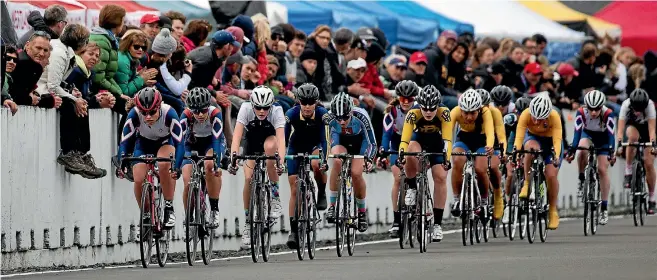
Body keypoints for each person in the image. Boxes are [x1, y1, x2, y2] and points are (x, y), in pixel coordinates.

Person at [117, 87, 184, 228]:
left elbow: (180, 144)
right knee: (138, 178)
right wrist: (121, 162)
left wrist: (177, 167)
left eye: (152, 112)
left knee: (163, 164)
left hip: (165, 142)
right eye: (144, 113)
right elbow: (124, 142)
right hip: (143, 143)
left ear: (159, 106)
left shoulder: (169, 113)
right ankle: (146, 213)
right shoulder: (134, 114)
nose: (148, 117)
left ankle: (169, 207)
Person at [228, 86, 286, 247]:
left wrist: (280, 161)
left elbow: (281, 139)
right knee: (248, 178)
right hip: (251, 141)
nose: (261, 111)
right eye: (258, 107)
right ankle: (248, 223)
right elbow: (237, 137)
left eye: (265, 107)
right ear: (252, 104)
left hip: (270, 138)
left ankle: (275, 197)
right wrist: (233, 159)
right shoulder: (246, 108)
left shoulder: (277, 111)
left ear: (271, 106)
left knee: (270, 153)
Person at [396, 84, 452, 241]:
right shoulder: (413, 114)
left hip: (437, 145)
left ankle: (437, 225)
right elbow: (404, 140)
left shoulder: (444, 113)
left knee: (440, 177)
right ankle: (412, 188)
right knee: (409, 150)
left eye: (431, 109)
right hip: (418, 142)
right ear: (419, 105)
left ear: (437, 106)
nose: (428, 112)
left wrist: (447, 158)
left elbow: (447, 140)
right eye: (424, 109)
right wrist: (401, 154)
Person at [283, 83, 329, 249]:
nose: (308, 106)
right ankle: (294, 230)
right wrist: (281, 157)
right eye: (304, 103)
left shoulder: (323, 114)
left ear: (316, 102)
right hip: (296, 146)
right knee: (295, 188)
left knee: (316, 163)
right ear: (299, 102)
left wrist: (325, 159)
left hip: (316, 145)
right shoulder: (291, 114)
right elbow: (284, 138)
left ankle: (322, 191)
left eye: (311, 103)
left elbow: (326, 139)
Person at [325, 92, 377, 233]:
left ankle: (361, 212)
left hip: (359, 143)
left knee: (356, 173)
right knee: (336, 161)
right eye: (338, 118)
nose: (341, 121)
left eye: (345, 117)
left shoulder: (361, 115)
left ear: (351, 112)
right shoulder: (329, 117)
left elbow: (371, 142)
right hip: (340, 140)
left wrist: (369, 158)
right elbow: (324, 140)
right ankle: (332, 206)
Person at [565, 90, 616, 224]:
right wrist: (572, 150)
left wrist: (611, 152)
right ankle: (582, 178)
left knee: (602, 170)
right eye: (591, 109)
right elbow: (577, 133)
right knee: (582, 149)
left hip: (604, 139)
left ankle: (604, 208)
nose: (593, 112)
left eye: (597, 109)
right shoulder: (581, 112)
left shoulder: (608, 114)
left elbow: (611, 136)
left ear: (602, 107)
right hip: (587, 135)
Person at [514, 93, 563, 229]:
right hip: (533, 138)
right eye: (534, 117)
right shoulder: (525, 114)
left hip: (551, 142)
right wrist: (516, 151)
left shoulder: (554, 117)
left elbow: (557, 140)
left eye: (540, 119)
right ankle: (527, 183)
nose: (536, 121)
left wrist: (556, 156)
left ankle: (552, 210)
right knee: (529, 149)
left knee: (551, 175)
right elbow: (519, 137)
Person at [180, 87, 226, 228]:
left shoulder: (215, 113)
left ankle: (214, 209)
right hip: (191, 144)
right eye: (195, 111)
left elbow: (217, 140)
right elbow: (179, 141)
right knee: (187, 180)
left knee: (209, 165)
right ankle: (189, 214)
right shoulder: (186, 115)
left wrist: (217, 164)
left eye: (203, 110)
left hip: (211, 143)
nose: (199, 114)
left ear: (208, 107)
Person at [378, 80, 419, 237]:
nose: (406, 102)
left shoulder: (418, 110)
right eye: (403, 98)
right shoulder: (391, 112)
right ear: (398, 98)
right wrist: (383, 150)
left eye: (410, 98)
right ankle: (396, 221)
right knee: (397, 178)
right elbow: (386, 133)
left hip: (414, 142)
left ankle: (420, 204)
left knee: (416, 170)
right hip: (396, 143)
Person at [449, 89, 495, 217]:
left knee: (481, 169)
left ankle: (484, 202)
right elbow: (447, 133)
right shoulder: (455, 112)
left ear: (479, 110)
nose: (469, 117)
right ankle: (457, 200)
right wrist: (446, 150)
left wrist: (490, 146)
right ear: (461, 109)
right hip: (463, 139)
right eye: (466, 113)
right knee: (457, 161)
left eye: (473, 113)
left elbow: (490, 132)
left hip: (481, 141)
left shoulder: (485, 112)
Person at [615, 88, 656, 214]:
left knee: (649, 163)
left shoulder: (650, 106)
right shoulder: (626, 105)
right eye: (636, 109)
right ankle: (628, 171)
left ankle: (652, 198)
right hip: (633, 126)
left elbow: (651, 128)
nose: (638, 112)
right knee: (632, 138)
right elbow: (621, 127)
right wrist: (620, 142)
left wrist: (653, 143)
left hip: (647, 129)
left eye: (640, 109)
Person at [477, 88, 507, 220]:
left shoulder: (495, 113)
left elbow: (501, 136)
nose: (484, 109)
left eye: (487, 106)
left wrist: (503, 152)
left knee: (493, 167)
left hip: (492, 142)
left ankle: (497, 194)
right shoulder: (469, 112)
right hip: (476, 142)